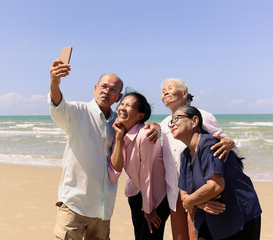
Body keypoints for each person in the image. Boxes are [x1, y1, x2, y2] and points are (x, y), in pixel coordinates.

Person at [48, 58, 160, 240]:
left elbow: (138, 126)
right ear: (95, 88)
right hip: (74, 204)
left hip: (103, 209)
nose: (107, 91)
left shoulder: (119, 122)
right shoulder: (78, 112)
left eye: (113, 90)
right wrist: (54, 82)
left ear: (118, 97)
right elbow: (58, 106)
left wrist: (156, 126)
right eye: (104, 86)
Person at [160, 78, 241, 240]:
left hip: (199, 190)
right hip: (175, 190)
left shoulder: (203, 115)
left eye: (169, 88)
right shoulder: (163, 124)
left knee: (195, 234)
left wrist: (230, 142)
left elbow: (222, 142)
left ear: (184, 93)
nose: (165, 93)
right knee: (179, 237)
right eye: (162, 91)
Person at [171, 105, 262, 239]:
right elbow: (184, 193)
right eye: (170, 121)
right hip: (211, 218)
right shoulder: (185, 155)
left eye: (176, 118)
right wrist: (197, 202)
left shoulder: (210, 145)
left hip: (240, 215)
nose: (172, 124)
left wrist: (190, 201)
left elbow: (215, 185)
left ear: (194, 121)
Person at [108, 91, 170, 240]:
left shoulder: (145, 135)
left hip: (157, 198)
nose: (122, 107)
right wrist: (118, 137)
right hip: (136, 193)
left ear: (140, 116)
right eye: (121, 104)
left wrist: (149, 209)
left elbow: (146, 174)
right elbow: (116, 169)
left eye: (128, 105)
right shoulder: (122, 134)